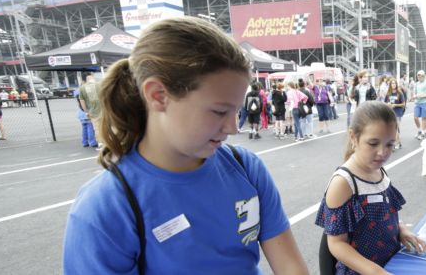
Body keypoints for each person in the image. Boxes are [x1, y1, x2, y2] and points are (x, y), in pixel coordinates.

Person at [62, 17, 307, 274]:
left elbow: (291, 266)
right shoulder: (106, 208)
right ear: (158, 96)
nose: (233, 128)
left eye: (235, 111)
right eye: (218, 111)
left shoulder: (244, 167)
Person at [315, 101, 426, 275]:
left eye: (389, 144)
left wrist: (402, 229)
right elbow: (336, 244)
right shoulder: (344, 183)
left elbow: (386, 213)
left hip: (390, 263)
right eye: (373, 143)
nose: (382, 152)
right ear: (353, 137)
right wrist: (375, 271)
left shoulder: (378, 169)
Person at [79, 73, 101, 148]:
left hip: (91, 112)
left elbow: (82, 101)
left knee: (94, 128)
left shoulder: (82, 88)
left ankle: (99, 143)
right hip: (103, 110)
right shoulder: (100, 85)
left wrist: (86, 111)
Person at [384, 78, 406, 150]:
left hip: (397, 113)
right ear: (390, 85)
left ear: (396, 84)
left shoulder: (399, 93)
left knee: (395, 129)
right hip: (390, 113)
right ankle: (399, 143)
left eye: (394, 83)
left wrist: (395, 105)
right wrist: (387, 104)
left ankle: (394, 144)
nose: (393, 85)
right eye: (392, 83)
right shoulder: (388, 93)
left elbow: (403, 104)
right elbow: (384, 102)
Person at [411, 70, 426, 140]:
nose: (419, 77)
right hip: (417, 102)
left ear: (423, 76)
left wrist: (422, 95)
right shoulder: (416, 84)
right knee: (415, 117)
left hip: (424, 102)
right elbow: (414, 93)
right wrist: (414, 96)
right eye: (418, 75)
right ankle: (419, 130)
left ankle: (423, 132)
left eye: (420, 75)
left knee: (424, 118)